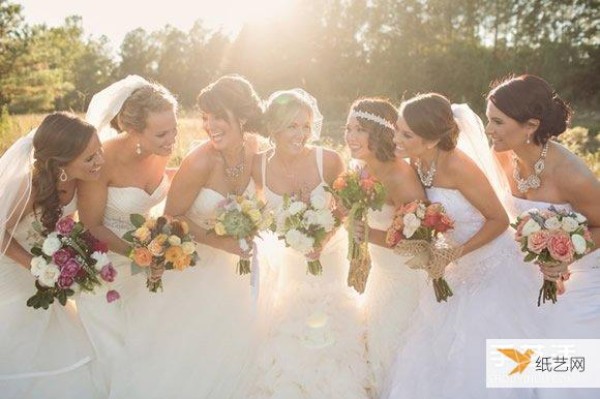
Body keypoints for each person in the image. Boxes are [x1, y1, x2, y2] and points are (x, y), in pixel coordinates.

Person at [111, 75, 264, 398]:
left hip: (237, 270)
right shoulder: (199, 160)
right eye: (206, 117)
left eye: (219, 116)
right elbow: (171, 216)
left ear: (244, 116)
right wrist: (220, 241)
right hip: (195, 268)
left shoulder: (256, 150)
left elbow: (265, 196)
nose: (211, 126)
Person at [382, 93, 537, 399]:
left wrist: (454, 252)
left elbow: (498, 220)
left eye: (406, 134)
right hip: (452, 268)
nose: (396, 138)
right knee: (433, 347)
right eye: (397, 129)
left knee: (478, 352)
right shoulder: (414, 161)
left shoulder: (458, 167)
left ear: (430, 141)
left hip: (491, 264)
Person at [246, 89, 369, 399]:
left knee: (333, 326)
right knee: (289, 328)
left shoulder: (327, 159)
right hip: (287, 261)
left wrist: (321, 238)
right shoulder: (256, 166)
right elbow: (254, 211)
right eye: (292, 126)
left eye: (306, 126)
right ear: (273, 127)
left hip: (329, 257)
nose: (301, 134)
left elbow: (346, 205)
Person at [486, 74, 600, 398]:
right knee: (507, 356)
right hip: (530, 273)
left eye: (497, 121)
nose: (488, 130)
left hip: (583, 276)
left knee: (564, 370)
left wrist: (565, 255)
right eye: (487, 119)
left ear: (530, 125)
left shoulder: (570, 172)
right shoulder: (500, 156)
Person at [76, 75, 178, 396]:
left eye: (174, 128)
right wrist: (140, 254)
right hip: (106, 270)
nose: (171, 139)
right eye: (162, 133)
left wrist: (159, 246)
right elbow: (91, 226)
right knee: (119, 356)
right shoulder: (101, 160)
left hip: (146, 265)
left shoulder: (162, 150)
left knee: (155, 348)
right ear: (134, 131)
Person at [0, 112, 104, 398]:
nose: (99, 162)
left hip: (45, 269)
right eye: (90, 157)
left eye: (100, 151)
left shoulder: (80, 181)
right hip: (10, 270)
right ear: (61, 162)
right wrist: (35, 267)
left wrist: (71, 256)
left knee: (62, 340)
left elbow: (71, 223)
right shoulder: (27, 185)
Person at [344, 97, 427, 396]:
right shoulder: (361, 168)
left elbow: (419, 241)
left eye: (360, 130)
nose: (351, 137)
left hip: (405, 279)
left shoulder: (399, 175)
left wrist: (367, 234)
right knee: (374, 346)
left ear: (379, 133)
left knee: (394, 349)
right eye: (348, 128)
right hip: (381, 276)